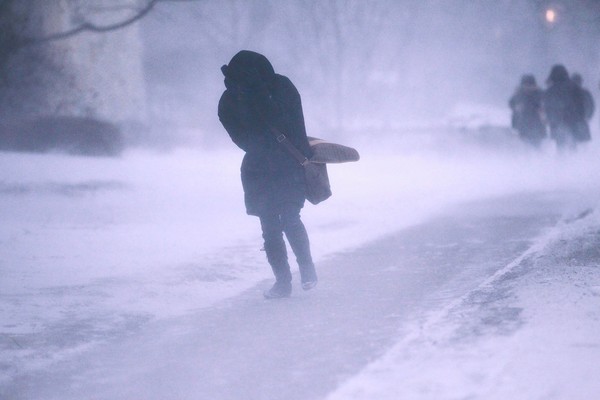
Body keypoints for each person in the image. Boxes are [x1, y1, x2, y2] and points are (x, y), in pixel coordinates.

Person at [218, 50, 318, 299]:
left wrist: (259, 95)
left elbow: (292, 124)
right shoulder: (230, 100)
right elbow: (242, 139)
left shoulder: (280, 87)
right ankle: (283, 282)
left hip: (287, 163)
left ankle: (306, 269)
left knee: (290, 218)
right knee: (270, 226)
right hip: (259, 169)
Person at [542, 64, 586, 150]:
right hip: (573, 119)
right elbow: (580, 104)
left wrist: (549, 118)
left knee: (560, 145)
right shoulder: (574, 87)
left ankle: (562, 158)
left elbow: (547, 106)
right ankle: (574, 158)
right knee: (572, 144)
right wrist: (581, 117)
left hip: (557, 120)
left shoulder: (551, 89)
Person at [509, 74, 546, 147]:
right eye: (525, 85)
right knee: (525, 144)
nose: (527, 87)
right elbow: (511, 103)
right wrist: (516, 107)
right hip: (523, 124)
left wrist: (542, 110)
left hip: (537, 124)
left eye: (529, 85)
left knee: (535, 145)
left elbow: (545, 106)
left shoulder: (540, 93)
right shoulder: (519, 93)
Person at [571, 73, 595, 143]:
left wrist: (588, 116)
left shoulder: (584, 93)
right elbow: (591, 106)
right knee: (581, 142)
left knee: (577, 142)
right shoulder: (585, 93)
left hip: (578, 121)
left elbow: (591, 106)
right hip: (580, 120)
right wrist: (588, 116)